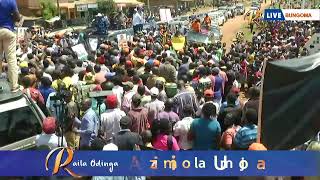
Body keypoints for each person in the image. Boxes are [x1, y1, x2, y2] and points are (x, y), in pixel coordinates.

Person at [0, 0, 21, 92]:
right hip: (7, 31)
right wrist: (11, 16)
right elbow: (18, 18)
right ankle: (14, 86)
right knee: (11, 59)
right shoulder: (11, 1)